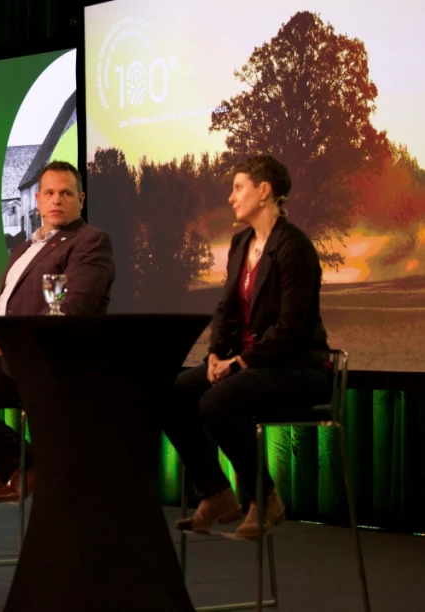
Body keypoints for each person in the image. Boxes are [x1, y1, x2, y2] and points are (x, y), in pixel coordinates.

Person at [165, 154, 331, 538]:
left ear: (264, 190)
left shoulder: (295, 247)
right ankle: (217, 492)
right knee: (171, 395)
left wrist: (237, 364)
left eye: (238, 187)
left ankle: (263, 497)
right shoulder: (241, 243)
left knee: (216, 402)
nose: (231, 197)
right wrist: (214, 355)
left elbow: (291, 329)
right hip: (251, 367)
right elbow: (226, 311)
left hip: (299, 368)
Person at [0, 160, 115, 503]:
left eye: (65, 193)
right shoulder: (25, 247)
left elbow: (71, 311)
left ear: (81, 199)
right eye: (49, 193)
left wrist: (2, 346)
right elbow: (4, 304)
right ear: (38, 200)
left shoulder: (90, 242)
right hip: (7, 355)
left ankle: (26, 464)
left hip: (45, 362)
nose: (56, 199)